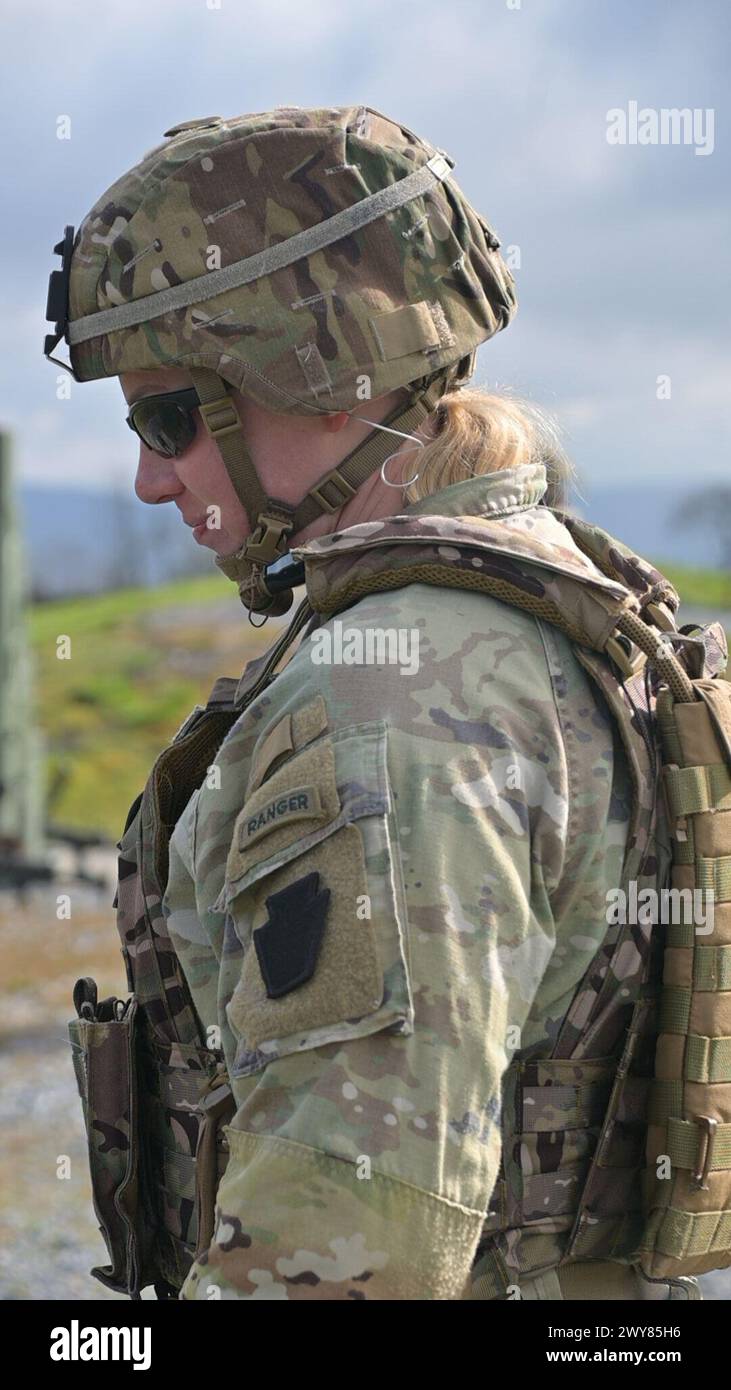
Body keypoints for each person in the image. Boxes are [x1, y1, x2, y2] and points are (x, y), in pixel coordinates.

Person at [48, 106, 711, 1301]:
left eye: (169, 416)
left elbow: (339, 1266)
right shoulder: (575, 597)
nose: (151, 477)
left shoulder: (389, 706)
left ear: (304, 368)